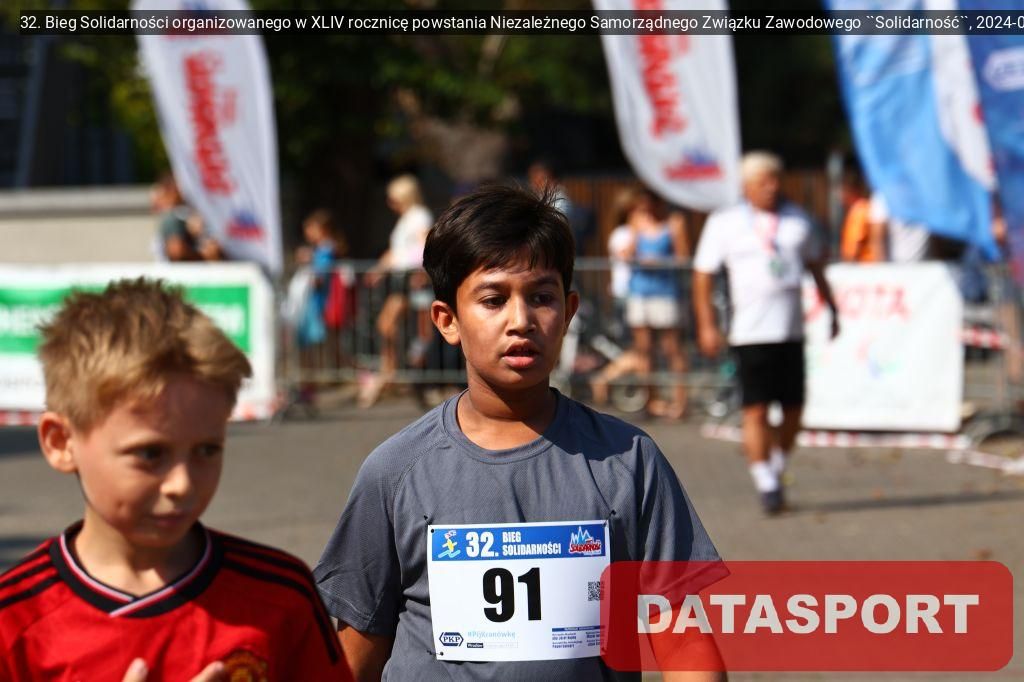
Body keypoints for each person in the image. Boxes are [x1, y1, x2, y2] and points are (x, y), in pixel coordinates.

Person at [314, 184, 723, 681]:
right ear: (447, 320)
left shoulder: (628, 460)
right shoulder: (394, 472)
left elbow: (684, 642)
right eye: (493, 299)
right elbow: (355, 655)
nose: (521, 321)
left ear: (568, 312)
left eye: (542, 297)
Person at [0, 279, 352, 681]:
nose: (181, 484)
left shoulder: (281, 596)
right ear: (61, 442)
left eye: (206, 450)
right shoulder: (13, 620)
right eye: (150, 453)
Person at [692, 152, 839, 515]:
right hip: (750, 333)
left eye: (776, 180)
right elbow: (703, 276)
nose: (772, 187)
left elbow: (816, 265)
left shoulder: (798, 219)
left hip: (790, 331)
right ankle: (765, 481)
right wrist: (707, 325)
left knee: (794, 411)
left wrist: (832, 308)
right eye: (763, 182)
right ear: (746, 187)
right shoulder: (725, 222)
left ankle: (776, 462)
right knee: (755, 409)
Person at [359, 174, 433, 407]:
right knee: (391, 326)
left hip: (412, 278)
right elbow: (397, 251)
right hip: (401, 278)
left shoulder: (419, 216)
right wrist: (379, 269)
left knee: (399, 326)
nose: (390, 204)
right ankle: (392, 370)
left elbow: (424, 246)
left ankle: (392, 371)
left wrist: (420, 270)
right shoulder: (407, 219)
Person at [622, 188, 690, 419]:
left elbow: (683, 256)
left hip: (665, 292)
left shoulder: (675, 221)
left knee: (672, 349)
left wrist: (659, 261)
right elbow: (629, 250)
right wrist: (629, 252)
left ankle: (680, 401)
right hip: (640, 291)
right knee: (644, 349)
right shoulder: (637, 220)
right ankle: (651, 400)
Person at [838, 166, 885, 263]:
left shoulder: (859, 211)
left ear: (849, 190)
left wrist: (847, 265)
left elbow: (854, 246)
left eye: (840, 190)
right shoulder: (864, 208)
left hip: (863, 267)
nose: (838, 195)